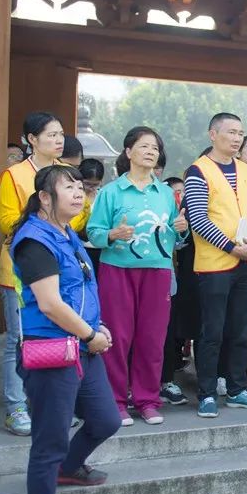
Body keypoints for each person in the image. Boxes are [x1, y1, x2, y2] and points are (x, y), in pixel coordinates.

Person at [10, 165, 120, 494]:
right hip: (53, 351)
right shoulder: (34, 240)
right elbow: (51, 304)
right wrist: (91, 334)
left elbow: (82, 291)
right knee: (49, 440)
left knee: (106, 419)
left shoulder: (66, 233)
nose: (78, 192)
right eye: (68, 186)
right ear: (44, 197)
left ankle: (67, 469)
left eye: (79, 186)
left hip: (84, 345)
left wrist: (98, 326)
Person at [87, 127, 187, 426]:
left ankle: (146, 399)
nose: (150, 151)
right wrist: (112, 234)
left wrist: (180, 231)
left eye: (155, 147)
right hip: (118, 270)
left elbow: (173, 235)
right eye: (144, 146)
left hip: (157, 270)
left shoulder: (166, 194)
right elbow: (93, 232)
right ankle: (115, 401)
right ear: (128, 152)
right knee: (117, 336)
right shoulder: (110, 192)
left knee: (152, 338)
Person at [0, 111, 87, 436]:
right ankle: (16, 407)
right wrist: (47, 222)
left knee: (58, 337)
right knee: (17, 340)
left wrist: (67, 216)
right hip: (22, 268)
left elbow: (75, 222)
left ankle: (47, 405)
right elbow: (8, 221)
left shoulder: (67, 175)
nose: (58, 140)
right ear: (31, 139)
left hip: (61, 271)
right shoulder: (15, 175)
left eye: (60, 134)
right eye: (50, 134)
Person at [185, 113, 247, 417]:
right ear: (212, 134)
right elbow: (198, 218)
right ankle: (206, 393)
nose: (237, 138)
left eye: (241, 133)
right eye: (231, 132)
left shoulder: (246, 170)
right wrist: (233, 247)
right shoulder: (198, 170)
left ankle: (236, 388)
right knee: (212, 332)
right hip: (215, 265)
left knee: (243, 329)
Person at [160, 175, 199, 406]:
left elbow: (178, 240)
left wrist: (181, 230)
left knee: (164, 333)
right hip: (137, 273)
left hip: (167, 277)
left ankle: (166, 381)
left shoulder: (175, 208)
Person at [78, 158, 106, 275]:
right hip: (80, 248)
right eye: (87, 184)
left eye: (95, 184)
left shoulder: (103, 196)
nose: (91, 187)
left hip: (101, 249)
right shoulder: (75, 196)